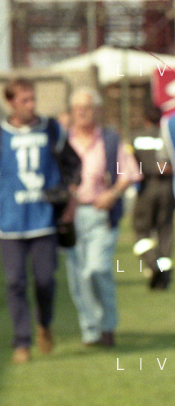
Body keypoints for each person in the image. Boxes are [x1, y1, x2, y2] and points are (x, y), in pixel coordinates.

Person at [0, 78, 81, 363]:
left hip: (44, 218)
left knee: (45, 280)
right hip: (10, 220)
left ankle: (44, 324)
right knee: (15, 282)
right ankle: (21, 341)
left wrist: (70, 200)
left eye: (33, 99)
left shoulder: (51, 129)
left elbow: (74, 166)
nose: (31, 105)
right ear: (10, 102)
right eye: (25, 100)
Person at [65, 88, 138, 347]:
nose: (82, 112)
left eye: (87, 107)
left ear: (97, 110)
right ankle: (91, 329)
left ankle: (107, 324)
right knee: (79, 276)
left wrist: (113, 193)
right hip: (72, 215)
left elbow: (128, 172)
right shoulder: (64, 141)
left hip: (101, 215)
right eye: (77, 108)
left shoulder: (109, 140)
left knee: (97, 269)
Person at [131, 103, 173, 289]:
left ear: (145, 119)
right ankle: (164, 275)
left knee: (141, 231)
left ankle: (153, 264)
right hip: (167, 187)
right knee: (165, 231)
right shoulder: (166, 136)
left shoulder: (135, 137)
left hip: (146, 186)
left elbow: (129, 164)